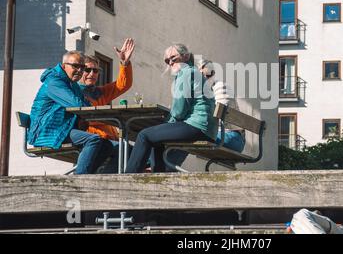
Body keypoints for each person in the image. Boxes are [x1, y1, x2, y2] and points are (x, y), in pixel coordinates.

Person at [125, 44, 217, 173]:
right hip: (207, 129)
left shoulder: (186, 72)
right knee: (156, 138)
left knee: (144, 135)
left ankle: (128, 178)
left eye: (173, 57)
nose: (170, 62)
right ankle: (158, 178)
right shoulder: (194, 72)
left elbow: (179, 111)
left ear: (186, 56)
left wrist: (168, 122)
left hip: (197, 126)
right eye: (167, 60)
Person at [28, 51, 108, 174]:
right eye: (75, 66)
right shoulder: (54, 82)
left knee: (108, 145)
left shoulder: (72, 84)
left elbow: (85, 105)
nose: (80, 71)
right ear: (64, 65)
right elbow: (77, 104)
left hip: (63, 128)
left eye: (82, 67)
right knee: (93, 139)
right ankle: (80, 179)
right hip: (47, 131)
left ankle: (90, 175)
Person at [79, 38, 135, 173]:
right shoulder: (73, 92)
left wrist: (124, 63)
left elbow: (122, 85)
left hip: (107, 138)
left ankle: (105, 176)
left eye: (96, 70)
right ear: (79, 70)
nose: (92, 74)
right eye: (88, 70)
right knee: (128, 151)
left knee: (139, 152)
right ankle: (105, 178)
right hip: (91, 139)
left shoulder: (99, 92)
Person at [198, 59, 246, 153]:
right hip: (219, 134)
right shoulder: (201, 92)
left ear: (213, 74)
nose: (205, 78)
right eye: (201, 76)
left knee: (188, 136)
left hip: (230, 136)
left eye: (208, 74)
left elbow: (221, 117)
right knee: (182, 137)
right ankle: (169, 166)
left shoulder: (220, 87)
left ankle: (169, 166)